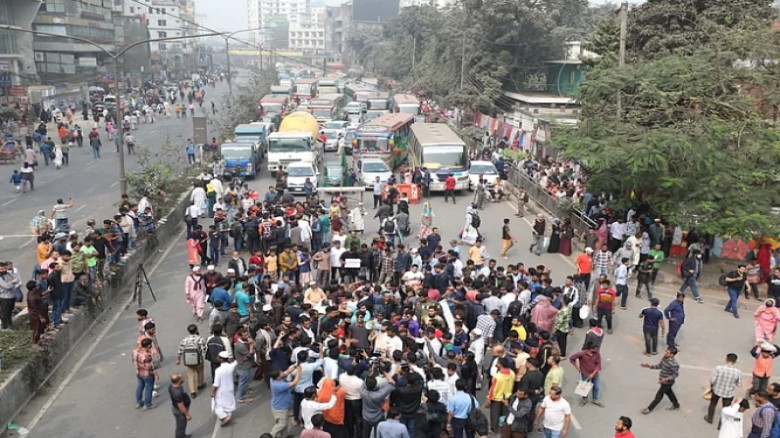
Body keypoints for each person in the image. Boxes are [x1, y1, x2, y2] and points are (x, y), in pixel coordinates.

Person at [640, 347, 680, 414]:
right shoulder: (664, 358)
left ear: (672, 355)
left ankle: (649, 408)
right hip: (662, 380)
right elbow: (660, 366)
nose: (665, 353)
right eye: (666, 351)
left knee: (659, 395)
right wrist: (650, 366)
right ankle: (676, 404)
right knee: (669, 393)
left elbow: (675, 375)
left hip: (667, 383)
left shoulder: (674, 364)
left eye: (667, 352)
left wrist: (666, 379)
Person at [705, 353, 742, 425]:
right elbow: (739, 384)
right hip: (728, 393)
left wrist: (712, 386)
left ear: (726, 359)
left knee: (713, 404)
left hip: (717, 390)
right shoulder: (738, 372)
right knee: (725, 409)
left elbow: (712, 380)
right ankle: (721, 423)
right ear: (735, 361)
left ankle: (710, 418)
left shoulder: (718, 368)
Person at [176, 324, 207, 399]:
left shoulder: (185, 340)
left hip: (188, 360)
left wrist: (178, 359)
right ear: (196, 330)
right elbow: (204, 350)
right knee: (200, 371)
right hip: (198, 359)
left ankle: (192, 391)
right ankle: (200, 384)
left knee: (190, 375)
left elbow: (180, 350)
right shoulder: (200, 339)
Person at [569, 343, 604, 407]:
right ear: (590, 349)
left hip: (595, 373)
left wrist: (593, 373)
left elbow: (598, 365)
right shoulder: (582, 354)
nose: (597, 350)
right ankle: (584, 399)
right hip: (585, 373)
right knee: (584, 387)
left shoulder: (597, 354)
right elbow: (572, 358)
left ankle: (595, 399)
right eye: (595, 348)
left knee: (596, 387)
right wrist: (577, 368)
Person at [212, 351, 238, 426]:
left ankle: (225, 416)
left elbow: (216, 384)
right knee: (228, 402)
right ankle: (228, 414)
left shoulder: (218, 371)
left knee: (217, 405)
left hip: (221, 390)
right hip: (230, 388)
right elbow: (235, 361)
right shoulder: (231, 366)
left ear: (221, 359)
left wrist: (213, 393)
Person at [132, 338, 158, 410]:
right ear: (149, 346)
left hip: (138, 372)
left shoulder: (135, 351)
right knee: (148, 388)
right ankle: (147, 404)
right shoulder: (147, 356)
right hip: (147, 374)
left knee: (140, 387)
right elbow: (149, 367)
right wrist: (154, 373)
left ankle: (139, 402)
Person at [168, 373, 192, 438]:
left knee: (181, 424)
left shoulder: (172, 386)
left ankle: (182, 435)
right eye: (181, 378)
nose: (183, 379)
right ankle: (180, 436)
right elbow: (180, 405)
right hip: (179, 411)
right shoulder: (177, 393)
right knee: (181, 425)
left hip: (177, 409)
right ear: (178, 380)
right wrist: (187, 414)